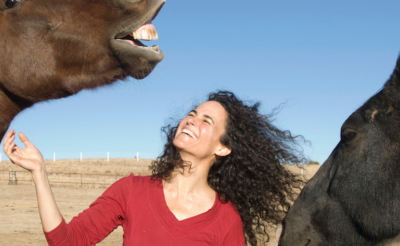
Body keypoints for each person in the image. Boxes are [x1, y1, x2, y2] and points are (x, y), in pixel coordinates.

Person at [3, 90, 305, 246]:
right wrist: (39, 172)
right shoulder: (131, 191)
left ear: (222, 148)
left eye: (206, 121)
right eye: (192, 113)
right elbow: (66, 241)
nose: (191, 120)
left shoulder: (226, 221)